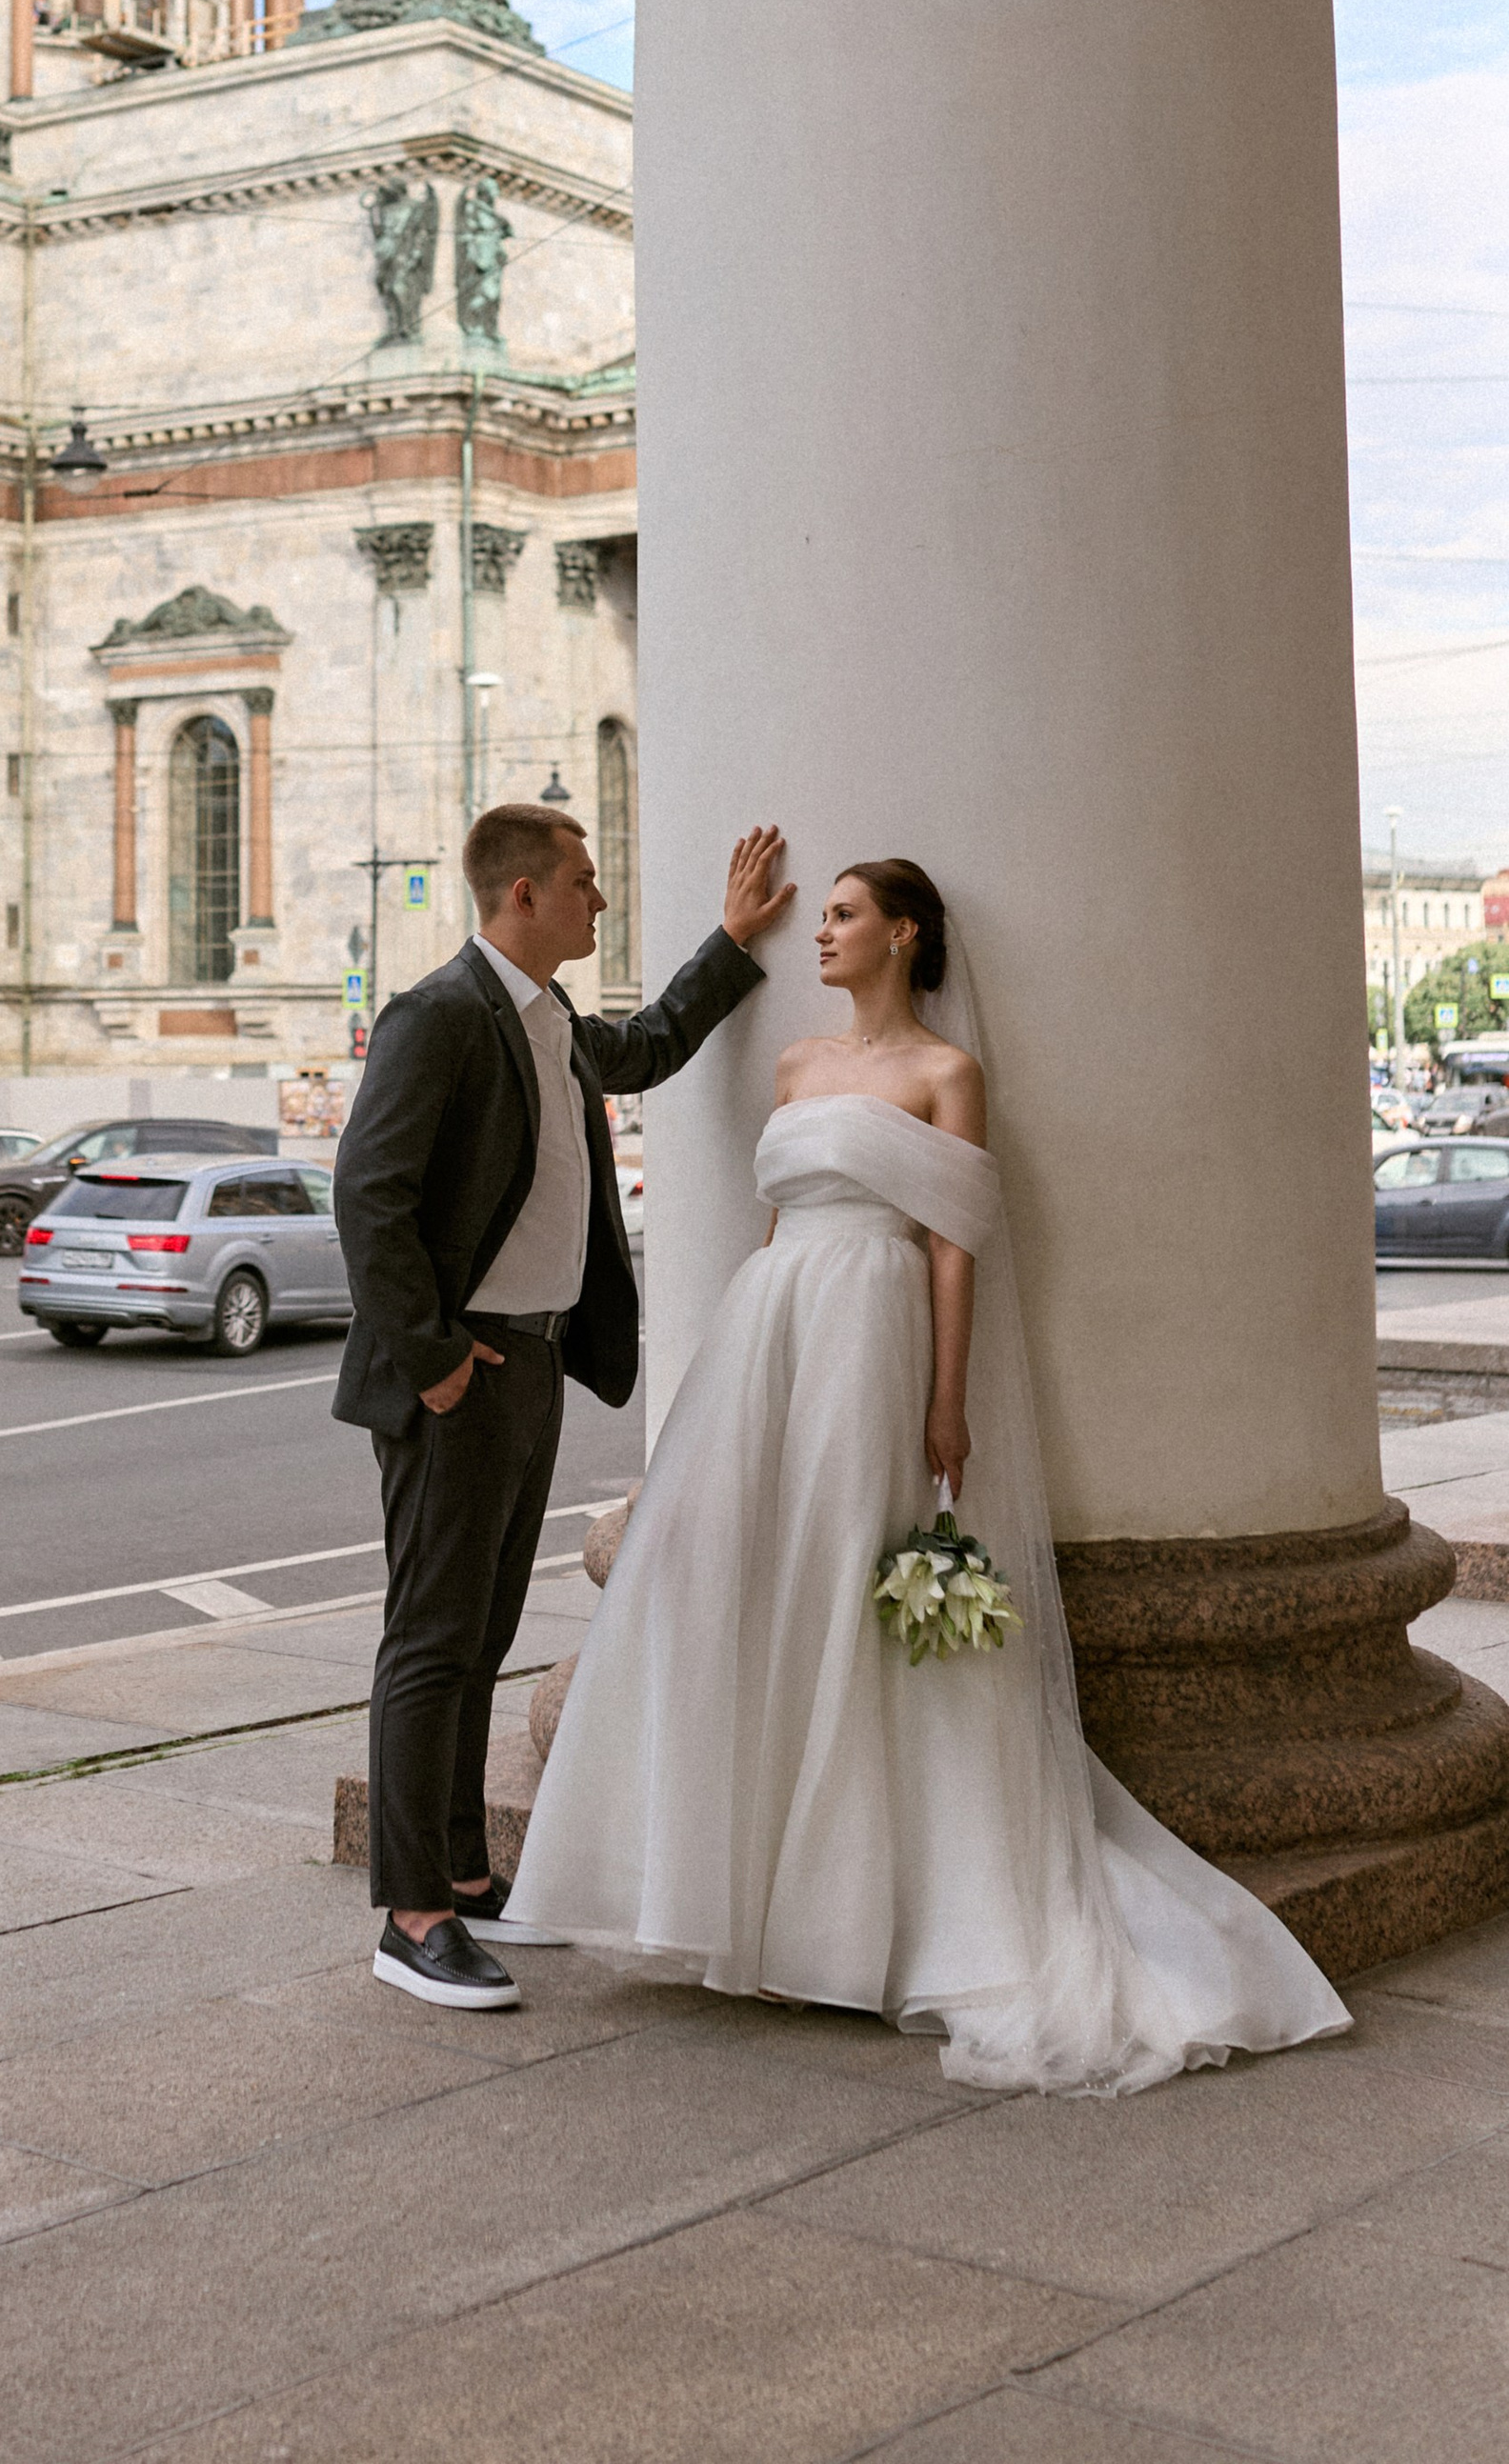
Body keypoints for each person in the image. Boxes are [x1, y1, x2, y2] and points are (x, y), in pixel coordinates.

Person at [507, 857, 1350, 2093]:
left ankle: (846, 1921)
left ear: (904, 935)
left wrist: (946, 1404)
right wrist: (734, 1370)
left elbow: (956, 1248)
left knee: (863, 1598)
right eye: (827, 916)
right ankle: (737, 1899)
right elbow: (773, 1230)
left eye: (845, 916)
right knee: (756, 1593)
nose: (826, 934)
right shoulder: (799, 1065)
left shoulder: (947, 1074)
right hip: (772, 1343)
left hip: (875, 1336)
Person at [332, 804, 795, 2010]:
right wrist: (432, 1356)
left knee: (480, 1633)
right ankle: (411, 1913)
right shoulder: (436, 1017)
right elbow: (368, 1199)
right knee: (431, 1640)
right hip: (461, 1372)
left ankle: (466, 1877)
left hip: (529, 1365)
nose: (598, 900)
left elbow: (651, 1044)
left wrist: (735, 943)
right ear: (521, 896)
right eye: (583, 882)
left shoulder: (550, 1026)